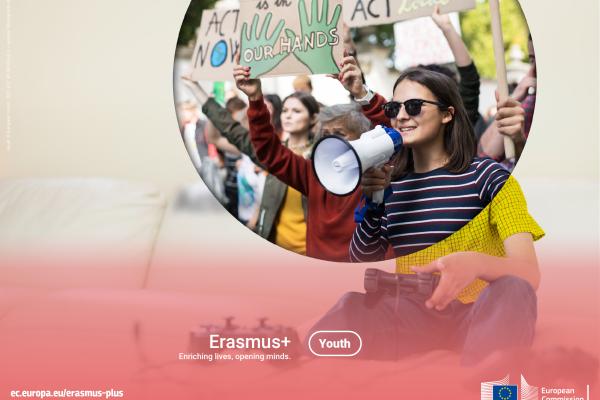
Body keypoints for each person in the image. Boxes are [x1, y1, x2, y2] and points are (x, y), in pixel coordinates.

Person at [308, 56, 544, 365]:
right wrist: (374, 203)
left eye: (415, 106)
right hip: (412, 315)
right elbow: (362, 259)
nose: (402, 116)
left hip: (474, 313)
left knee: (513, 290)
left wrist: (475, 264)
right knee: (352, 306)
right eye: (394, 109)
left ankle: (483, 382)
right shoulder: (392, 184)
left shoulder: (486, 175)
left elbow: (529, 274)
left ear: (448, 115)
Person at [233, 64, 374, 261]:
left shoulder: (378, 177)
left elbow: (388, 127)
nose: (331, 141)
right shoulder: (312, 173)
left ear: (363, 137)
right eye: (326, 134)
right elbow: (270, 152)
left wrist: (361, 92)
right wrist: (255, 98)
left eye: (340, 134)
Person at [182, 77, 315, 255]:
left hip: (309, 253)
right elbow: (232, 130)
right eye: (285, 110)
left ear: (313, 119)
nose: (288, 115)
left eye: (296, 111)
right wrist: (196, 89)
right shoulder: (274, 154)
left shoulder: (321, 158)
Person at [478, 34, 537, 167]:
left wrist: (519, 140)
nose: (535, 69)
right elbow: (484, 155)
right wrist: (514, 97)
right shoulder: (529, 102)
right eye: (532, 60)